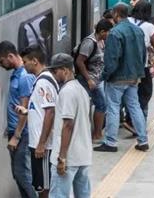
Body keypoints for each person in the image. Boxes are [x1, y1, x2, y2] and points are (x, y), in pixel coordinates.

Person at [94, 3, 149, 153]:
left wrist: (105, 76)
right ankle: (143, 140)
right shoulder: (138, 30)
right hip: (134, 77)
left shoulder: (114, 33)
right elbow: (144, 54)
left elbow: (112, 59)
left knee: (113, 108)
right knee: (135, 107)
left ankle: (110, 142)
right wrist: (139, 74)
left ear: (117, 14)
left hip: (117, 78)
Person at [0, 41, 37, 198]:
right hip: (16, 131)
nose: (0, 65)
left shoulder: (25, 77)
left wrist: (16, 136)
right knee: (18, 174)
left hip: (22, 134)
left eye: (1, 61)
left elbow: (24, 109)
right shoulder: (17, 74)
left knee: (23, 175)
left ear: (10, 56)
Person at [16, 45, 59, 198]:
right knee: (41, 186)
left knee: (44, 189)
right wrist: (27, 111)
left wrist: (41, 144)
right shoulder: (39, 80)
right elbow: (42, 111)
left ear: (35, 61)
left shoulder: (44, 82)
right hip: (38, 145)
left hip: (43, 147)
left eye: (25, 61)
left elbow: (50, 112)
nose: (23, 64)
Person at [47, 54, 92, 198]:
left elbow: (67, 125)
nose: (54, 75)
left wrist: (62, 158)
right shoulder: (81, 89)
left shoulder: (67, 91)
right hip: (83, 155)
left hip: (69, 158)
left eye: (55, 71)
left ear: (65, 70)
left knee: (58, 195)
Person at [74, 19, 112, 142]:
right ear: (102, 32)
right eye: (108, 33)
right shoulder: (90, 43)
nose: (109, 35)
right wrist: (89, 79)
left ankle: (96, 134)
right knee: (90, 106)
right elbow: (79, 61)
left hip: (96, 80)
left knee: (101, 105)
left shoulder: (101, 42)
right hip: (87, 80)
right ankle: (90, 135)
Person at [129, 1, 154, 119]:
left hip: (125, 64)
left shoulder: (127, 21)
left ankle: (129, 118)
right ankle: (137, 120)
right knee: (145, 92)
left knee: (129, 92)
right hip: (141, 65)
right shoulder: (149, 27)